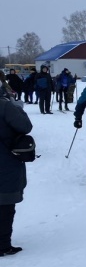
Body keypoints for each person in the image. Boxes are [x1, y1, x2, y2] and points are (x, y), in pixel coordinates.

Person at [0, 80, 33, 257]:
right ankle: (3, 244)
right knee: (5, 204)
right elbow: (25, 126)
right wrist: (17, 107)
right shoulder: (5, 106)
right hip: (5, 162)